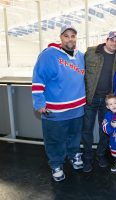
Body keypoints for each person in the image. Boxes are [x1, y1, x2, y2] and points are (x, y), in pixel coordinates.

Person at [32, 25, 86, 182]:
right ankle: (56, 164)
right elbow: (38, 79)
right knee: (54, 139)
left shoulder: (80, 56)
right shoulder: (48, 55)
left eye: (73, 36)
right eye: (66, 36)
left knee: (74, 135)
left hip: (77, 108)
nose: (70, 39)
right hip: (55, 109)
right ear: (61, 38)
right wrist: (39, 102)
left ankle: (74, 155)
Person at [82, 31, 116, 172]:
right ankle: (87, 158)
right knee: (86, 130)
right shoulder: (91, 52)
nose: (114, 43)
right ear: (106, 40)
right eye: (112, 39)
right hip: (90, 99)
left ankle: (100, 154)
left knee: (105, 130)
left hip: (107, 102)